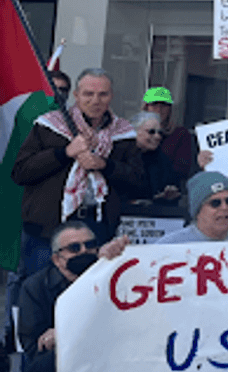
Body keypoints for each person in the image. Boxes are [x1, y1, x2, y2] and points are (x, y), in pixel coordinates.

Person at [8, 68, 145, 344]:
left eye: (102, 94)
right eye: (88, 94)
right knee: (39, 296)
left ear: (111, 97)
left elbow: (139, 181)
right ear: (76, 95)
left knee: (92, 298)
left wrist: (106, 165)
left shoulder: (124, 133)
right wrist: (63, 154)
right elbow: (20, 172)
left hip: (95, 229)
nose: (95, 100)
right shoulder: (49, 125)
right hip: (47, 230)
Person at [17, 221, 98, 372]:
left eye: (90, 245)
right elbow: (35, 352)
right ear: (57, 259)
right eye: (74, 248)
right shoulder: (35, 287)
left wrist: (64, 332)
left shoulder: (108, 279)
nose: (84, 251)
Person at [126, 111, 182, 207]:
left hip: (155, 215)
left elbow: (173, 187)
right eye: (151, 132)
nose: (157, 136)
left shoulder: (163, 160)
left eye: (160, 133)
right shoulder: (121, 156)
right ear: (134, 131)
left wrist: (170, 194)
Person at [142, 86, 197, 179]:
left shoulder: (180, 134)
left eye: (164, 105)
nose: (159, 109)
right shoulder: (133, 132)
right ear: (146, 107)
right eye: (154, 104)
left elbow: (182, 170)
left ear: (170, 108)